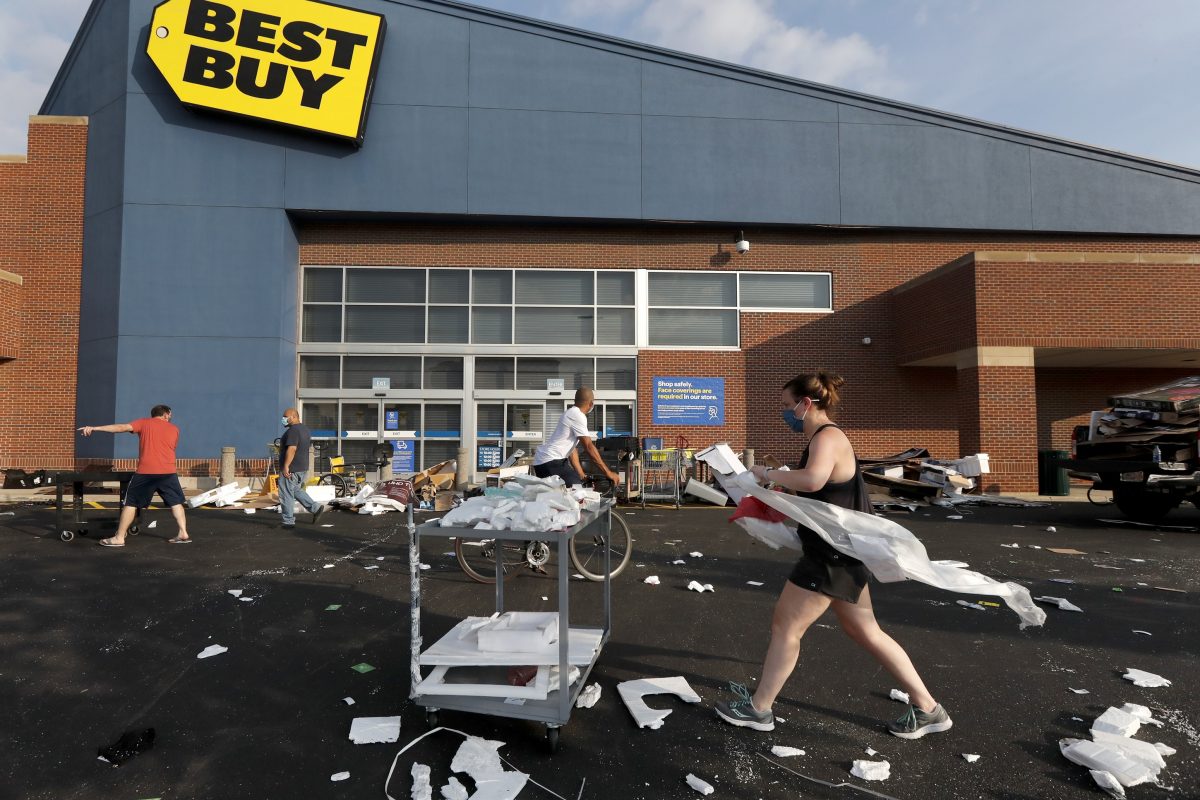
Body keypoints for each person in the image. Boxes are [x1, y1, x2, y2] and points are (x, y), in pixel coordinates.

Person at [714, 372, 952, 740]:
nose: (785, 413)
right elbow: (819, 493)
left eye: (786, 406)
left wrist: (764, 472)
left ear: (805, 404)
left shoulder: (828, 437)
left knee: (786, 627)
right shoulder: (825, 439)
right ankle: (929, 708)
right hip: (843, 553)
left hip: (832, 557)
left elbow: (813, 480)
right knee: (865, 630)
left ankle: (759, 709)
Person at [78, 404, 191, 546]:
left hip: (146, 472)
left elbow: (121, 428)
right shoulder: (174, 429)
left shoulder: (143, 423)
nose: (171, 417)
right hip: (168, 472)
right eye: (170, 414)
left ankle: (119, 537)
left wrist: (95, 428)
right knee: (176, 502)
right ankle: (183, 532)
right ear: (166, 414)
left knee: (130, 503)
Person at [532, 388, 621, 488]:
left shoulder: (570, 413)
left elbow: (572, 450)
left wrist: (581, 474)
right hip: (550, 461)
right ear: (591, 404)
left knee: (576, 485)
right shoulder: (578, 415)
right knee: (576, 489)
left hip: (548, 461)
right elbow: (588, 446)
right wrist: (608, 472)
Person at [278, 408, 326, 529]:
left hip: (292, 468)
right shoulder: (304, 429)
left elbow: (292, 449)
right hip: (302, 467)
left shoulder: (293, 431)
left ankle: (288, 521)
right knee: (295, 490)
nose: (283, 419)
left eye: (286, 417)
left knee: (286, 493)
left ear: (294, 417)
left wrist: (286, 466)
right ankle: (315, 508)